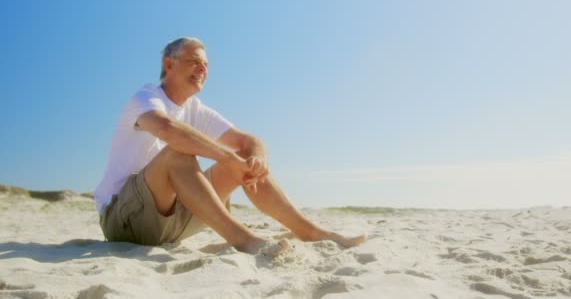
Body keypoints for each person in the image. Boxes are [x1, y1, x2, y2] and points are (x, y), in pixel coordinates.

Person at [94, 37, 367, 255]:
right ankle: (245, 240)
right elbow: (168, 130)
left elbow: (249, 141)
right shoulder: (146, 98)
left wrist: (255, 158)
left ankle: (309, 231)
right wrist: (227, 158)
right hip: (125, 221)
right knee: (179, 151)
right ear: (169, 64)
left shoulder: (195, 109)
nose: (203, 69)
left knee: (245, 157)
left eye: (206, 65)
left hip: (173, 224)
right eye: (195, 62)